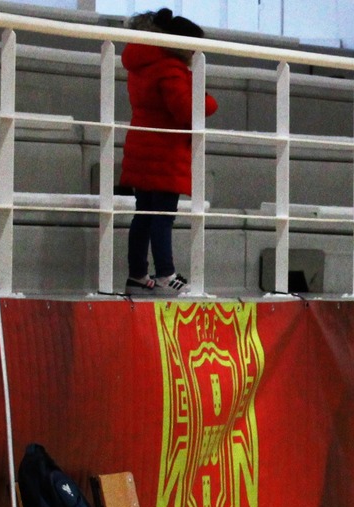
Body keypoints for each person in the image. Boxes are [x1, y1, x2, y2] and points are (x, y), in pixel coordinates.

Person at [119, 10, 216, 295]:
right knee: (163, 216)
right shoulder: (169, 68)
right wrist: (208, 100)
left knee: (143, 215)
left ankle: (137, 275)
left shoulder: (142, 64)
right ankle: (165, 274)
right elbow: (185, 109)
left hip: (142, 148)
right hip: (165, 152)